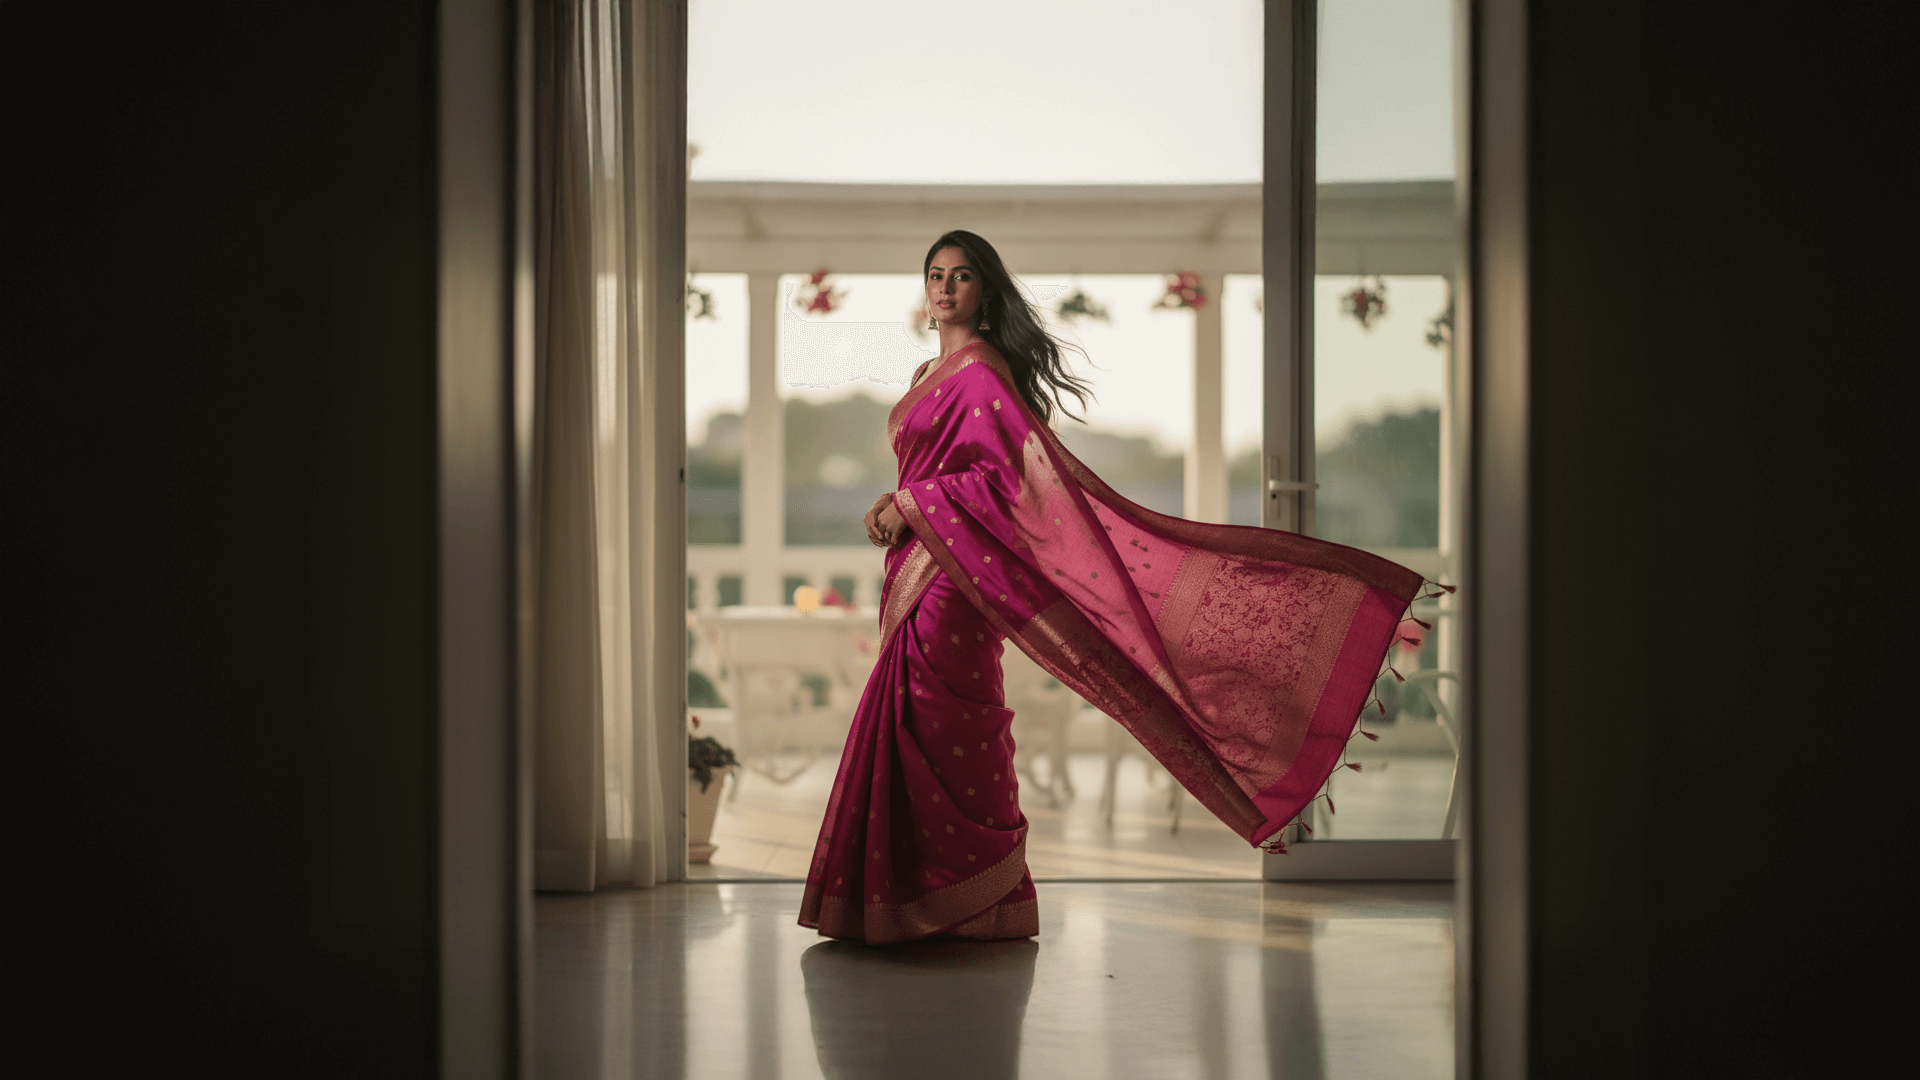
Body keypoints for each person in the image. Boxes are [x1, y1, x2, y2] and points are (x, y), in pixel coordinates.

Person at [798, 230, 1426, 944]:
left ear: (985, 290)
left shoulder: (981, 372)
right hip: (917, 564)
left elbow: (1002, 481)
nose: (945, 288)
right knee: (909, 722)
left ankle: (974, 901)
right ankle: (907, 897)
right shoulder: (927, 372)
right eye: (935, 275)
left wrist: (909, 504)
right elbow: (936, 471)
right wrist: (897, 502)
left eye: (961, 275)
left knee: (945, 724)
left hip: (953, 583)